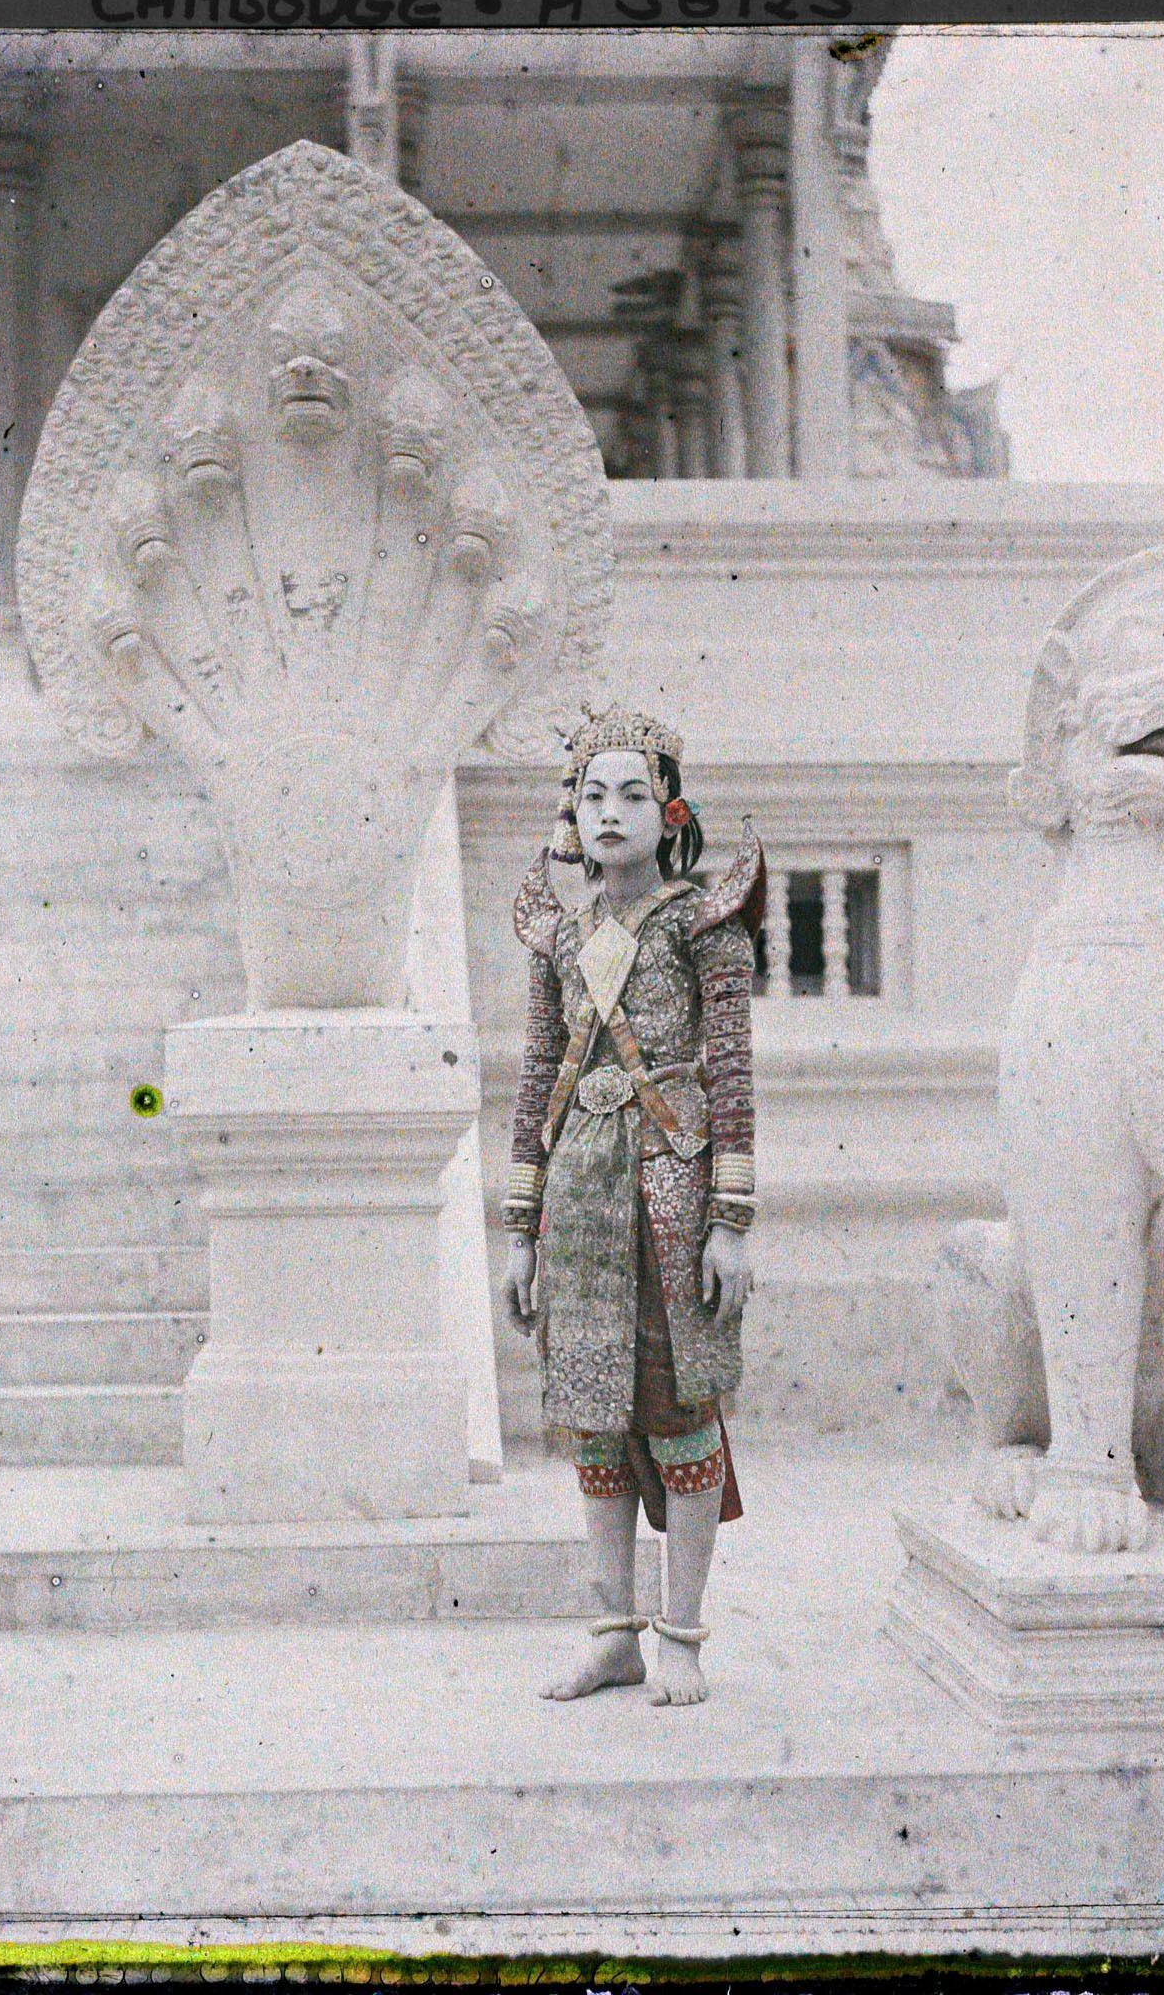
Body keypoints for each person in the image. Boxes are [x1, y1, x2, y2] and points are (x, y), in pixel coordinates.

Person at [501, 706, 763, 1708]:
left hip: (671, 1188)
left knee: (677, 1411)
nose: (610, 813)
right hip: (578, 1193)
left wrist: (729, 1221)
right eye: (592, 794)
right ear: (572, 814)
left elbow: (732, 1076)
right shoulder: (555, 934)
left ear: (668, 812)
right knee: (592, 1421)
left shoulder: (706, 922)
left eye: (632, 795)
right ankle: (612, 1632)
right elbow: (537, 1080)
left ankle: (682, 1634)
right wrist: (520, 1231)